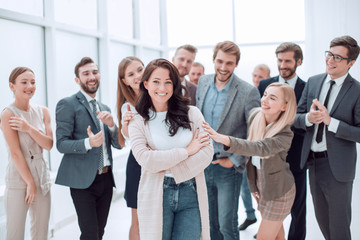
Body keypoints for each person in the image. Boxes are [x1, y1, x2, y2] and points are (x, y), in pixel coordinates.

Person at [128, 58, 213, 240]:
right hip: (156, 193)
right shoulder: (137, 122)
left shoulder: (192, 113)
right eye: (156, 82)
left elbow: (206, 153)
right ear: (146, 84)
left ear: (174, 85)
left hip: (191, 191)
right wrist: (187, 151)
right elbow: (145, 160)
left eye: (168, 82)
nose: (162, 88)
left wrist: (168, 165)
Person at [204, 82, 297, 240]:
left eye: (272, 98)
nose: (265, 100)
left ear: (284, 106)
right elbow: (253, 162)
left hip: (279, 191)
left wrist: (224, 139)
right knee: (278, 237)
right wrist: (255, 186)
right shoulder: (257, 118)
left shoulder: (285, 134)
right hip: (263, 186)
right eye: (265, 95)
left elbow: (258, 148)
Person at [293, 35, 360, 240]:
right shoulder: (313, 82)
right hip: (312, 163)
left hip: (338, 167)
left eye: (338, 57)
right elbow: (295, 118)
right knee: (323, 222)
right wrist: (308, 119)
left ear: (351, 63)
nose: (330, 60)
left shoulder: (357, 90)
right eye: (329, 54)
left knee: (339, 227)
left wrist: (331, 122)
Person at [196, 41, 260, 240]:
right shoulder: (203, 82)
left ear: (236, 64)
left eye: (229, 63)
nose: (223, 68)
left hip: (227, 167)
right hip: (202, 163)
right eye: (220, 61)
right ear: (213, 59)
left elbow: (254, 133)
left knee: (227, 226)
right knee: (209, 224)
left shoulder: (248, 91)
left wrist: (233, 160)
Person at [55, 57, 121, 240]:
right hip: (82, 182)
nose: (91, 77)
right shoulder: (67, 104)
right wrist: (87, 143)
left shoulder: (104, 108)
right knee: (90, 234)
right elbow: (61, 144)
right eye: (86, 74)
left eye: (94, 72)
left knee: (100, 232)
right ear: (77, 80)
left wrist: (113, 126)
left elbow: (118, 144)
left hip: (106, 179)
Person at [258, 42, 306, 240]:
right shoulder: (264, 85)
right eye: (280, 60)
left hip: (295, 158)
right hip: (268, 160)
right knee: (270, 214)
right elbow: (260, 118)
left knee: (298, 211)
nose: (283, 64)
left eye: (288, 60)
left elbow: (305, 122)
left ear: (298, 62)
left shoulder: (307, 87)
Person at [0, 67, 53, 240]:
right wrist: (30, 183)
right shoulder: (8, 114)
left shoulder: (43, 111)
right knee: (14, 234)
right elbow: (15, 153)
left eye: (33, 82)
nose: (29, 86)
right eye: (24, 82)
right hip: (18, 180)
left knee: (41, 233)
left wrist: (28, 128)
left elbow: (49, 144)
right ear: (12, 86)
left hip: (42, 178)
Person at [238, 63, 271, 232]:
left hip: (262, 151)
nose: (257, 79)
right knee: (246, 186)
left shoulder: (269, 97)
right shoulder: (247, 94)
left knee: (262, 189)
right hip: (245, 148)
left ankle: (264, 227)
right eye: (255, 75)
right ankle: (251, 215)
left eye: (261, 76)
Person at [116, 56, 144, 240]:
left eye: (140, 70)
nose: (138, 76)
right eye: (131, 74)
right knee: (138, 220)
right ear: (125, 81)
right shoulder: (127, 107)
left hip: (163, 162)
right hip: (139, 164)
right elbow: (127, 134)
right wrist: (125, 125)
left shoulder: (161, 96)